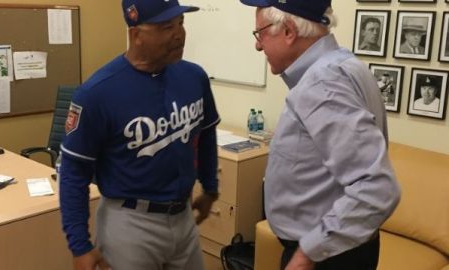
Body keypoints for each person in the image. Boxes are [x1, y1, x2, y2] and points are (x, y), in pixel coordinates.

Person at [59, 1, 221, 270]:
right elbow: (74, 171)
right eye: (167, 27)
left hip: (183, 217)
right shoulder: (97, 93)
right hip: (129, 224)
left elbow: (205, 133)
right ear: (136, 35)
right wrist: (79, 245)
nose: (179, 34)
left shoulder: (194, 77)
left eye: (181, 23)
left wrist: (210, 186)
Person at [240, 0, 401, 269]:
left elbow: (376, 187)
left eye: (261, 33)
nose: (258, 45)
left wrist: (309, 252)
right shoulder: (345, 64)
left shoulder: (324, 83)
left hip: (328, 257)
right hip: (339, 248)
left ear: (289, 31)